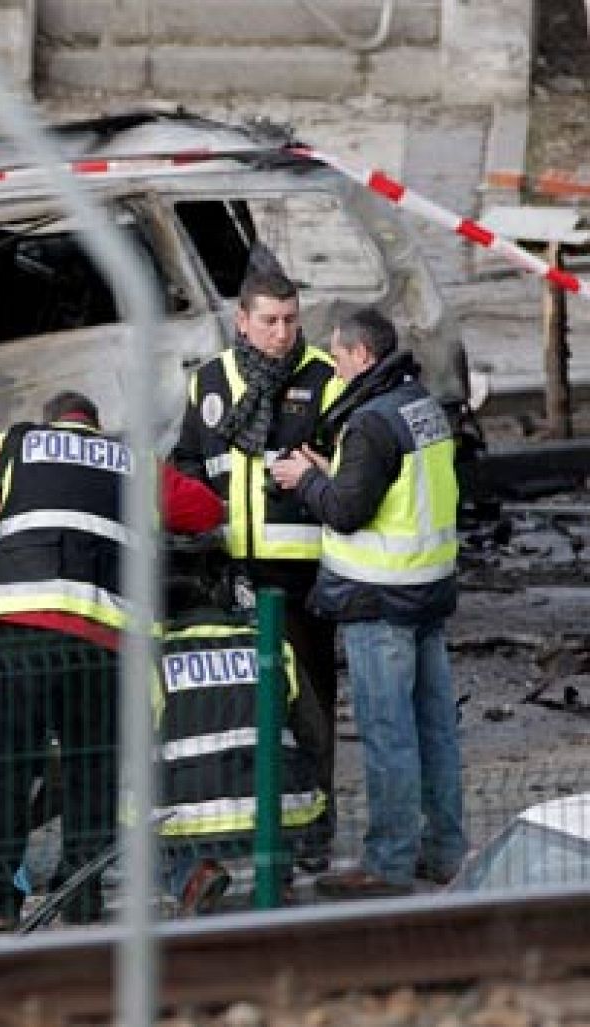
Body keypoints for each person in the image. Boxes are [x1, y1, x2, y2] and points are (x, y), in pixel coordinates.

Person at [0, 390, 224, 931]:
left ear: (53, 422)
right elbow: (204, 511)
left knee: (6, 767)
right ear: (95, 426)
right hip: (104, 640)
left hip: (26, 632)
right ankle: (81, 901)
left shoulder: (14, 446)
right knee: (92, 770)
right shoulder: (133, 461)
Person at [271, 307, 465, 897]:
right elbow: (393, 489)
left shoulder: (371, 422)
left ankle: (388, 862)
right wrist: (336, 471)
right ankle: (446, 852)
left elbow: (347, 511)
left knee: (389, 734)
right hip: (428, 590)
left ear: (360, 356)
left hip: (378, 599)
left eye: (335, 356)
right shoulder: (419, 405)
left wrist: (302, 481)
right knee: (435, 729)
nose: (330, 366)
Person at [171, 261, 346, 871]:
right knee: (236, 704)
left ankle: (315, 827)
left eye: (291, 322)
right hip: (229, 570)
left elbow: (346, 473)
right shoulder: (211, 382)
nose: (282, 334)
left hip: (303, 578)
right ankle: (243, 822)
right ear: (242, 322)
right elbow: (190, 461)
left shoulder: (324, 377)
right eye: (270, 322)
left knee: (312, 708)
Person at [152, 612, 328, 916]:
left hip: (192, 812)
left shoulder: (155, 656)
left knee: (133, 820)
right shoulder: (271, 643)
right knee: (287, 793)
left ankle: (191, 876)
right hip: (276, 802)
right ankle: (276, 876)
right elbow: (315, 732)